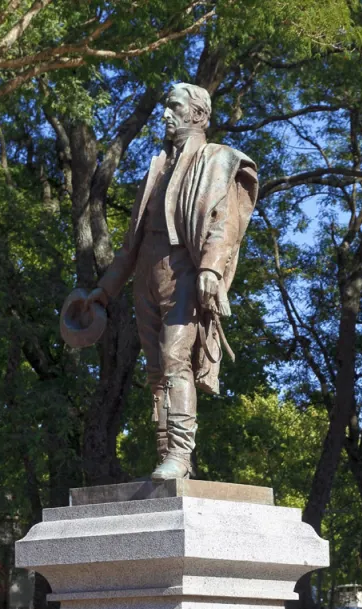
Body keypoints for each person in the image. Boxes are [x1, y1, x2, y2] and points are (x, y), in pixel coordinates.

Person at [88, 82, 258, 480]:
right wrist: (104, 290)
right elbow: (130, 242)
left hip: (184, 269)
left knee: (174, 358)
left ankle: (180, 454)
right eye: (165, 107)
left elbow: (224, 223)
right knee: (154, 371)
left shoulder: (217, 159)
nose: (165, 115)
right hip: (146, 270)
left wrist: (211, 269)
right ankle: (167, 454)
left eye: (175, 107)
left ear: (198, 115)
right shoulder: (157, 167)